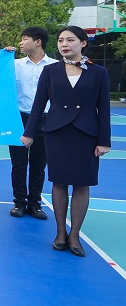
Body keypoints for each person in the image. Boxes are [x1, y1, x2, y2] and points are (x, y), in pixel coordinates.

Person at [22, 25, 111, 258]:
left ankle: (75, 235)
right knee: (59, 183)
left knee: (82, 184)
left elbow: (104, 108)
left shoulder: (98, 72)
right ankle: (61, 233)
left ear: (83, 43)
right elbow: (38, 104)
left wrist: (104, 141)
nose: (64, 44)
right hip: (57, 132)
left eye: (70, 40)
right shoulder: (50, 71)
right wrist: (29, 133)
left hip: (86, 134)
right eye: (61, 40)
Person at [8, 27, 57, 220]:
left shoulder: (55, 66)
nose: (21, 42)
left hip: (46, 120)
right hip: (20, 119)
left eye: (25, 39)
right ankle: (19, 202)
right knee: (18, 164)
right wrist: (4, 56)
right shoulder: (14, 64)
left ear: (38, 42)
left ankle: (35, 204)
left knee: (39, 165)